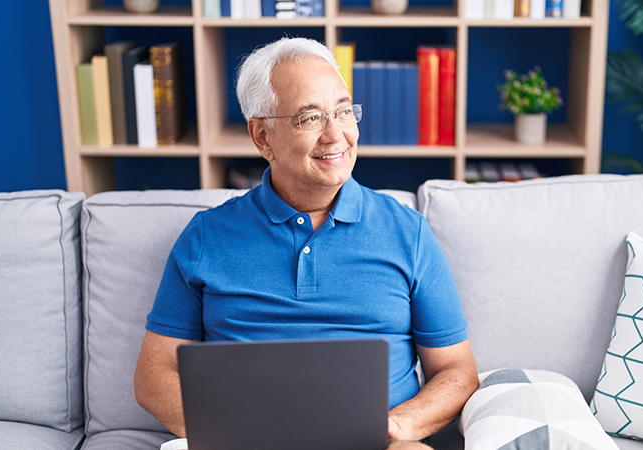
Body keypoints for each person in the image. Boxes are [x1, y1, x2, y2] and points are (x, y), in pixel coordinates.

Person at [134, 37, 479, 450]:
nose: (336, 135)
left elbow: (457, 370)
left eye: (344, 111)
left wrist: (398, 426)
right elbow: (153, 376)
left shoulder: (408, 232)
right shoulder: (207, 236)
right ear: (263, 137)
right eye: (310, 118)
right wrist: (229, 430)